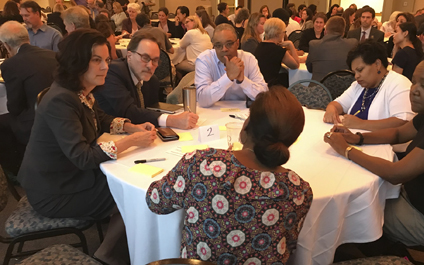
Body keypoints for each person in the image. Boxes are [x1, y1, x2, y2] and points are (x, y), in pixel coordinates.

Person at [18, 29, 158, 265]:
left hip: (67, 178)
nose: (105, 67)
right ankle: (107, 253)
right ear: (77, 61)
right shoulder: (61, 100)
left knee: (131, 183)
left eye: (107, 60)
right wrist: (130, 141)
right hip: (54, 191)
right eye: (96, 60)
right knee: (138, 194)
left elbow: (101, 119)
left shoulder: (79, 92)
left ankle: (122, 246)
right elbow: (82, 157)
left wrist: (131, 127)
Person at [323, 49, 424, 255]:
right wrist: (357, 138)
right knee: (362, 202)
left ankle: (377, 254)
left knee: (358, 212)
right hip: (416, 199)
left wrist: (346, 149)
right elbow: (398, 134)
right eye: (414, 82)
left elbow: (397, 173)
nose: (414, 90)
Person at [146, 86, 313, 263]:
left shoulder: (202, 164)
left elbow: (155, 201)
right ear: (292, 140)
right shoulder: (299, 191)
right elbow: (291, 243)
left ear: (247, 125)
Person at [94, 31, 198, 129]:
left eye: (155, 60)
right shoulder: (113, 72)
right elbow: (129, 112)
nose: (150, 65)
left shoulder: (152, 81)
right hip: (108, 138)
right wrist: (171, 120)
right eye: (145, 58)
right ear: (129, 56)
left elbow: (149, 112)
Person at [0, 21, 57, 175]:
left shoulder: (11, 65)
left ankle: (16, 171)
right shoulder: (52, 55)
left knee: (3, 123)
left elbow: (15, 106)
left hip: (35, 122)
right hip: (58, 114)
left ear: (6, 45)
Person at [323, 41, 414, 131]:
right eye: (354, 72)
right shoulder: (358, 86)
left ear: (377, 64)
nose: (356, 76)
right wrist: (331, 109)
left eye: (360, 70)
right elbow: (338, 104)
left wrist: (361, 124)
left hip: (384, 144)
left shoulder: (399, 83)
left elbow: (404, 122)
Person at [195, 23, 267, 107]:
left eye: (229, 44)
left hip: (241, 113)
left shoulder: (249, 59)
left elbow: (263, 96)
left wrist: (243, 80)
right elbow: (203, 100)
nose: (224, 49)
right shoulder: (205, 60)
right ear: (213, 46)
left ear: (237, 43)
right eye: (218, 45)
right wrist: (228, 78)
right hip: (213, 113)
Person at [306, 16, 358, 81]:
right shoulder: (352, 44)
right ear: (343, 33)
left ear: (325, 31)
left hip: (319, 88)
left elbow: (310, 68)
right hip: (344, 89)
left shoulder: (314, 45)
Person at [254, 17, 299, 87]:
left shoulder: (260, 46)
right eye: (284, 32)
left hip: (260, 83)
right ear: (277, 33)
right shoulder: (277, 50)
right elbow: (295, 65)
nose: (284, 35)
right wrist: (291, 44)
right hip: (273, 86)